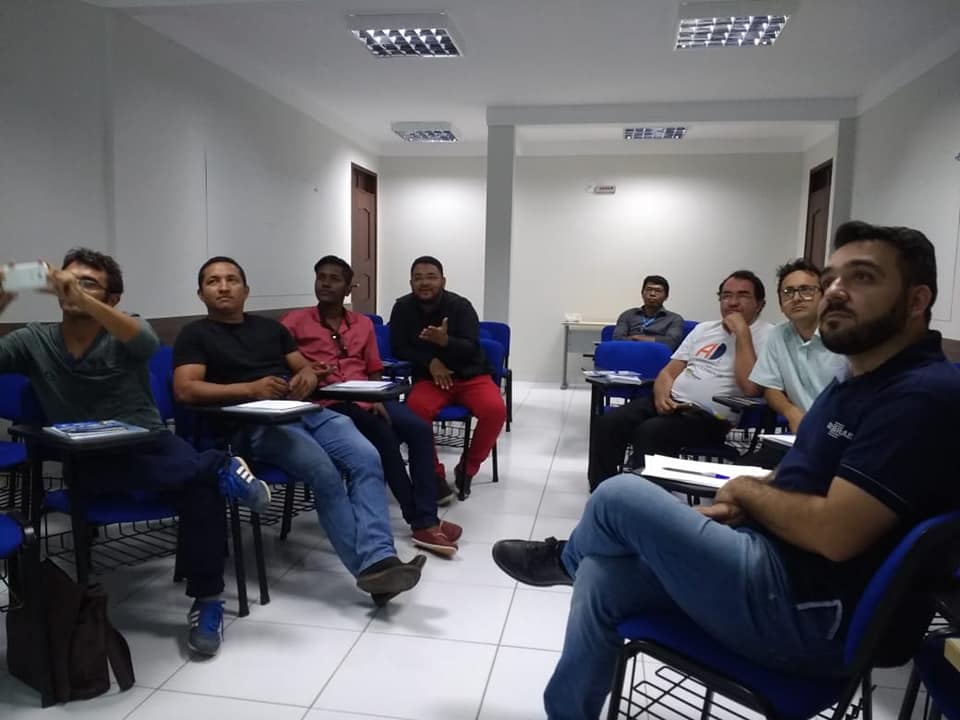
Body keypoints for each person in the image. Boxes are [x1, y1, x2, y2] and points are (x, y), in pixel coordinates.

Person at [492, 221, 960, 720]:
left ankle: (566, 559)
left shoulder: (920, 397)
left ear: (916, 300)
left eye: (862, 277)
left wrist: (746, 489)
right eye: (832, 280)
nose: (835, 293)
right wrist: (745, 502)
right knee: (602, 576)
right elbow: (810, 476)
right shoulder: (860, 378)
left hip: (809, 614)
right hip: (775, 567)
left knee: (619, 496)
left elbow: (835, 534)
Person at [0, 248, 270, 657]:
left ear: (112, 299)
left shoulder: (126, 330)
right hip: (86, 456)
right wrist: (4, 294)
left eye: (88, 284)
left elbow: (146, 342)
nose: (73, 288)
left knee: (199, 488)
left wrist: (82, 297)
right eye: (68, 280)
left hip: (150, 442)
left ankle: (207, 601)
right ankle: (220, 465)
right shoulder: (34, 340)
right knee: (203, 475)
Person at [172, 256, 424, 605]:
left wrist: (307, 376)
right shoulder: (195, 335)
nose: (224, 287)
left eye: (232, 279)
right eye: (213, 281)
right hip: (252, 424)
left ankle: (381, 558)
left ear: (246, 290)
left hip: (303, 411)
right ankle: (373, 569)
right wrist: (250, 389)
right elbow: (186, 390)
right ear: (201, 294)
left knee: (368, 457)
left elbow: (303, 367)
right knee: (325, 472)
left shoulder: (270, 329)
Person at [282, 255, 463, 557]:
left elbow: (374, 369)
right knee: (384, 437)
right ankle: (422, 522)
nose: (326, 284)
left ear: (348, 288)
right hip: (329, 402)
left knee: (419, 428)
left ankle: (427, 513)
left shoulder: (363, 324)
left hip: (368, 396)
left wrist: (377, 399)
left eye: (334, 279)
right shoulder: (294, 322)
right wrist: (307, 372)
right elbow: (280, 362)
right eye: (321, 278)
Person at [588, 270, 773, 491]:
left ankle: (642, 502)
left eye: (743, 295)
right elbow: (668, 373)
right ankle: (603, 492)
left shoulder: (769, 335)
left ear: (760, 304)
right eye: (726, 295)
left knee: (651, 432)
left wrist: (742, 332)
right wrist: (661, 396)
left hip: (710, 417)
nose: (732, 302)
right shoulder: (704, 329)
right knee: (609, 423)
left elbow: (750, 388)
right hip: (672, 403)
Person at [388, 256, 506, 501]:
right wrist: (431, 362)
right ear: (411, 283)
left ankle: (467, 469)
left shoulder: (460, 306)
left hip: (470, 376)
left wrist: (446, 342)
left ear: (443, 281)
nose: (424, 283)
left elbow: (472, 348)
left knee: (495, 410)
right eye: (418, 278)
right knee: (415, 410)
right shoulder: (402, 308)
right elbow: (399, 348)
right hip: (429, 379)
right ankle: (433, 475)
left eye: (431, 277)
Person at [751, 258, 848, 433]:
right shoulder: (778, 334)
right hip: (803, 433)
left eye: (806, 290)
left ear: (825, 296)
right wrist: (791, 412)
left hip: (844, 431)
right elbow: (771, 387)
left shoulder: (846, 335)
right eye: (787, 292)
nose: (796, 298)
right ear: (781, 304)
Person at [612, 275, 685, 350]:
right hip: (628, 352)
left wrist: (636, 338)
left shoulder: (674, 319)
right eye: (649, 289)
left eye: (658, 291)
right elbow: (617, 339)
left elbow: (671, 343)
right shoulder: (627, 315)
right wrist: (653, 340)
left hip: (655, 355)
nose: (652, 294)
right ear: (642, 293)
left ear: (666, 296)